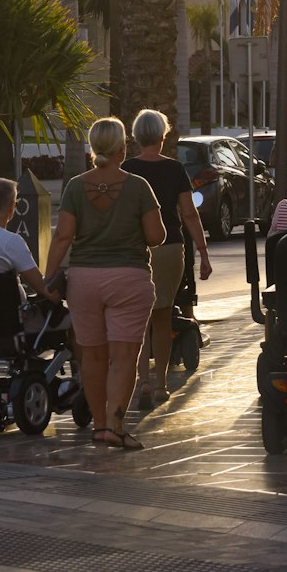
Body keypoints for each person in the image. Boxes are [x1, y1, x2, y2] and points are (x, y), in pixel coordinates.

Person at [44, 116, 166, 450]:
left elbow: (62, 236)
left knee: (92, 357)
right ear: (122, 147)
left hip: (83, 280)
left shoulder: (74, 187)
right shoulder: (138, 186)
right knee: (124, 356)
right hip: (129, 278)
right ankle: (116, 425)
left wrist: (47, 277)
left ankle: (99, 427)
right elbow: (157, 236)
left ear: (94, 146)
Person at [124, 108, 212, 409]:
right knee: (162, 316)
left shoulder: (126, 169)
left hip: (135, 248)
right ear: (163, 136)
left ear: (136, 137)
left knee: (139, 319)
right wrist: (202, 251)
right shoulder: (175, 169)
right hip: (170, 246)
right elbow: (189, 213)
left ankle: (142, 382)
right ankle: (160, 384)